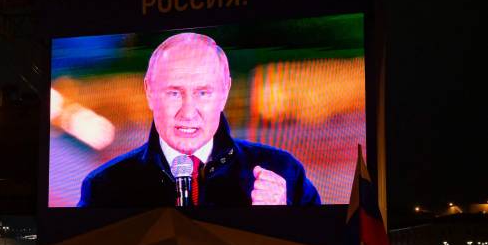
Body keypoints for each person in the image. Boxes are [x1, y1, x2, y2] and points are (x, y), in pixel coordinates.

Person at [78, 32, 320, 207]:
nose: (188, 112)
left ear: (225, 92)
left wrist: (281, 219)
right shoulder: (104, 188)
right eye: (174, 93)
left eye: (203, 93)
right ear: (149, 93)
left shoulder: (283, 172)